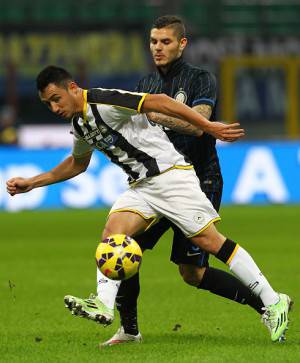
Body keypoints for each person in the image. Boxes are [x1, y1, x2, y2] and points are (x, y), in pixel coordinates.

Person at [6, 65, 290, 344]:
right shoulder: (80, 124)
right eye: (47, 104)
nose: (54, 108)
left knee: (210, 241)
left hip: (170, 176)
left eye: (56, 99)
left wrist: (207, 126)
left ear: (72, 88)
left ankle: (272, 300)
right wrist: (33, 182)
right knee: (113, 233)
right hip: (141, 186)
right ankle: (103, 304)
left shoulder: (105, 100)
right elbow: (77, 164)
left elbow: (160, 102)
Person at [93, 15, 268, 347]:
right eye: (153, 42)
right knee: (127, 246)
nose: (158, 48)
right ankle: (129, 330)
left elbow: (199, 123)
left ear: (181, 44)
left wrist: (155, 113)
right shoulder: (146, 84)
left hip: (200, 179)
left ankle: (269, 304)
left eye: (165, 42)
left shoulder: (201, 79)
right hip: (158, 182)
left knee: (193, 274)